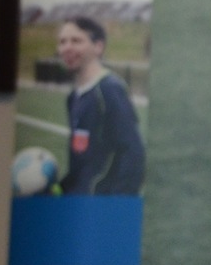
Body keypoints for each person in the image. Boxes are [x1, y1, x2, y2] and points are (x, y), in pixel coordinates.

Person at [55, 15, 145, 196]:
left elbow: (134, 154)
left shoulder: (109, 89)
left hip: (101, 202)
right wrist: (60, 189)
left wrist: (114, 203)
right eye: (62, 42)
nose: (67, 48)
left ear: (98, 47)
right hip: (80, 200)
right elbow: (80, 163)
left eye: (76, 41)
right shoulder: (73, 96)